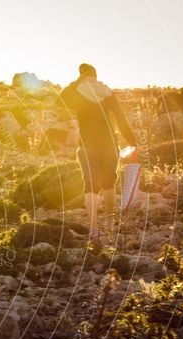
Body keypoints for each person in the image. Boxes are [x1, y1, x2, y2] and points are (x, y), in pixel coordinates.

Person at [60, 63, 138, 241]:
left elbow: (60, 100)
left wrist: (76, 82)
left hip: (88, 147)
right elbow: (121, 119)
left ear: (81, 75)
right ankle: (110, 225)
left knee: (90, 186)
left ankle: (94, 228)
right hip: (110, 146)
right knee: (109, 184)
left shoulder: (78, 93)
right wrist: (132, 140)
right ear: (96, 75)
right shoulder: (107, 92)